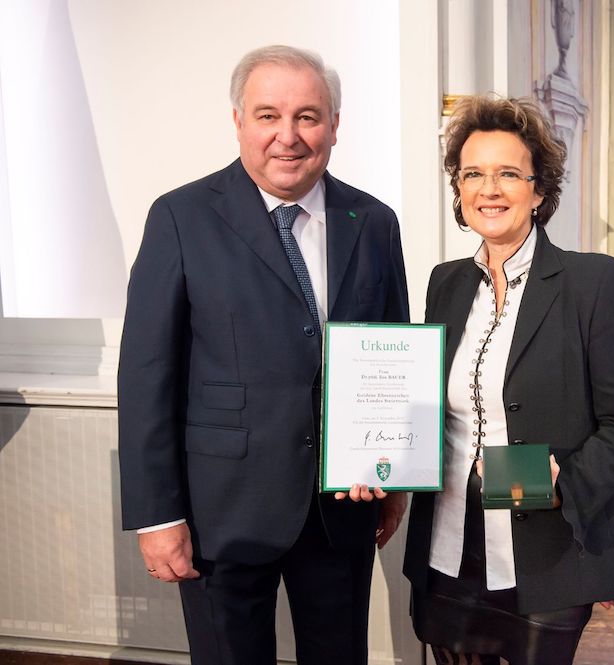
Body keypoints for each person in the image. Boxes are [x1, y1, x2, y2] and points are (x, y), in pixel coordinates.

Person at [117, 45, 409, 665]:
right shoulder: (180, 217)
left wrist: (395, 477)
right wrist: (156, 515)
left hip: (341, 508)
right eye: (269, 115)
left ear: (334, 124)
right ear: (238, 122)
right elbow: (147, 375)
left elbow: (391, 354)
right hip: (220, 511)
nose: (289, 136)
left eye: (308, 116)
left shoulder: (375, 221)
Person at [402, 96, 614, 665]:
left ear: (539, 192)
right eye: (474, 174)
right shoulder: (445, 284)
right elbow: (429, 410)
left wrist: (561, 482)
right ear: (459, 192)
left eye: (509, 173)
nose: (490, 189)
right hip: (448, 545)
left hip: (544, 551)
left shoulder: (591, 281)